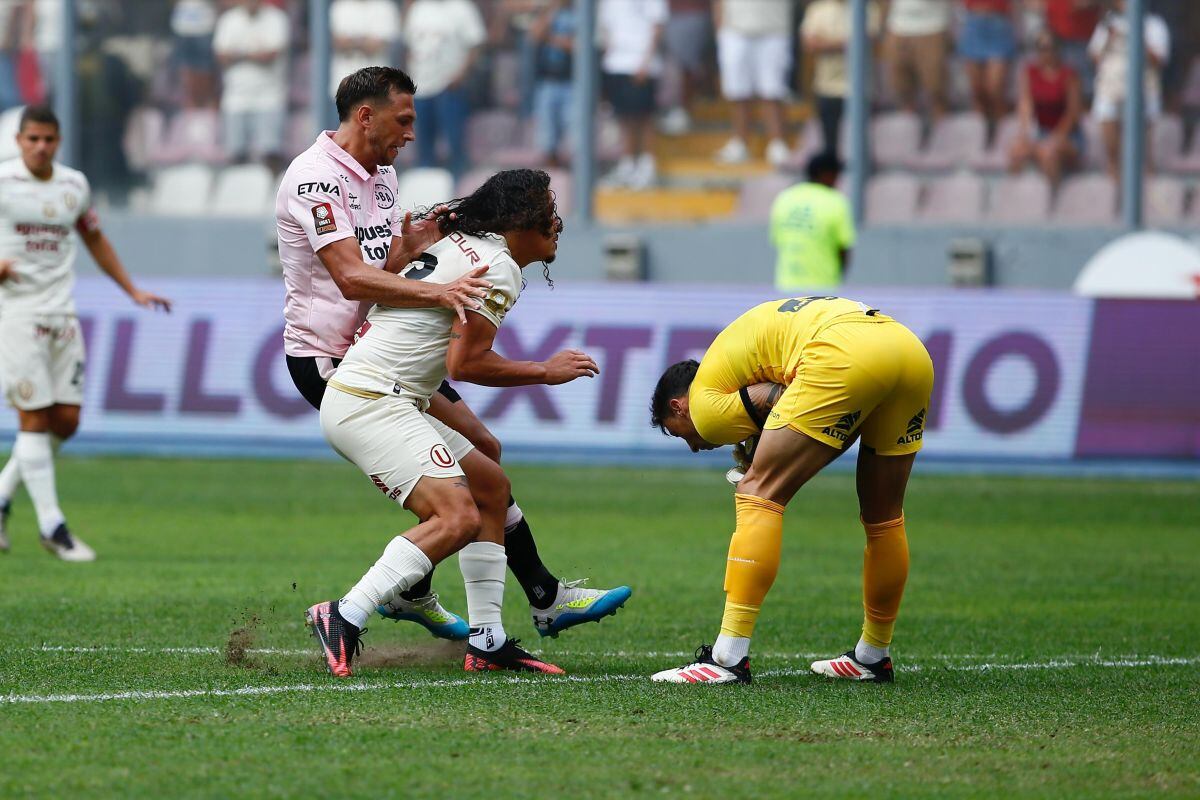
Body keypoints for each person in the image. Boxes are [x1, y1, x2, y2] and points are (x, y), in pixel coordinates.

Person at [277, 67, 630, 662]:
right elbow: (348, 275)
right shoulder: (314, 178)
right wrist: (442, 295)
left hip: (386, 349)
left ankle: (494, 629)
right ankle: (400, 592)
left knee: (486, 463)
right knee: (452, 508)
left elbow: (384, 266)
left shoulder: (383, 176)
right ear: (366, 115)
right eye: (405, 119)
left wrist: (414, 245)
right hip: (332, 359)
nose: (412, 133)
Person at [647, 295, 934, 684]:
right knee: (883, 516)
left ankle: (727, 659)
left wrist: (764, 454)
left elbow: (777, 399)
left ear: (679, 406)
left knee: (758, 492)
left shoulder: (704, 408)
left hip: (845, 353)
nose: (693, 446)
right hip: (907, 349)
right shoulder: (726, 364)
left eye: (677, 432)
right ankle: (872, 654)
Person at [0, 105, 171, 560]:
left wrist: (131, 289)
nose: (40, 147)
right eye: (32, 139)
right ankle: (52, 527)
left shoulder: (73, 184)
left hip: (62, 314)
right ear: (19, 141)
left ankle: (1, 495)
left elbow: (94, 238)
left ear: (58, 141)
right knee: (33, 419)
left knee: (66, 422)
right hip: (16, 315)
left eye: (48, 139)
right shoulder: (3, 182)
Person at [403, 0, 487, 179]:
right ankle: (426, 193)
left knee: (454, 143)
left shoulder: (462, 7)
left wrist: (460, 75)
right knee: (424, 145)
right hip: (421, 87)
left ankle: (459, 193)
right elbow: (409, 45)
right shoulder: (419, 8)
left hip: (449, 87)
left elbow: (475, 45)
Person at [1088, 0, 1169, 180]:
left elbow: (1160, 60)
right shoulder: (1107, 24)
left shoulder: (1154, 25)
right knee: (1107, 122)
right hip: (1111, 84)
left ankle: (1147, 173)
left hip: (1143, 85)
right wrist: (1110, 37)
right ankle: (1114, 172)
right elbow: (1094, 56)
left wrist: (1137, 37)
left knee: (1143, 131)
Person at [713, 0, 793, 167]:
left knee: (773, 90)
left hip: (774, 27)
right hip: (734, 28)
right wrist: (719, 24)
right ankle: (740, 144)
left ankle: (777, 143)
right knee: (737, 90)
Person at [598, 0, 668, 189]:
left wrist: (646, 61)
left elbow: (658, 25)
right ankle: (627, 165)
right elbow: (606, 27)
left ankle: (648, 166)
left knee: (644, 117)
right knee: (624, 117)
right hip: (615, 63)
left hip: (640, 62)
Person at [213, 0, 290, 171]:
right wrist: (253, 54)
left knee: (270, 154)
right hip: (235, 96)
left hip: (269, 96)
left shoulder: (276, 18)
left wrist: (238, 54)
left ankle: (274, 193)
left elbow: (270, 55)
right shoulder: (229, 20)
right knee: (236, 155)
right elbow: (222, 56)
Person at [801, 0, 881, 158]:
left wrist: (827, 43)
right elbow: (810, 44)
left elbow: (869, 40)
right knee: (830, 144)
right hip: (827, 87)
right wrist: (848, 43)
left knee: (862, 143)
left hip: (860, 88)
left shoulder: (868, 7)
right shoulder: (818, 9)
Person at [1009, 30, 1084, 189]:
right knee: (1016, 152)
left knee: (1049, 154)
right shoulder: (1030, 72)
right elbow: (1025, 104)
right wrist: (1025, 134)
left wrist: (1055, 138)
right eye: (1042, 48)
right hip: (1041, 131)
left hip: (1068, 135)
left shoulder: (1069, 75)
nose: (1047, 53)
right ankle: (1013, 200)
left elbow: (1073, 114)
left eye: (1051, 48)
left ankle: (1054, 199)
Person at [768, 151, 853, 291]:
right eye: (836, 174)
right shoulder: (836, 201)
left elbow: (778, 241)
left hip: (785, 288)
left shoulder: (784, 198)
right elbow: (843, 251)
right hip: (824, 289)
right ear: (826, 174)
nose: (838, 179)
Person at [880, 0, 951, 125]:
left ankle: (943, 130)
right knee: (902, 86)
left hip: (932, 26)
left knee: (935, 86)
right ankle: (909, 129)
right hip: (898, 26)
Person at [959, 0, 1018, 137]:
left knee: (995, 88)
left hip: (998, 21)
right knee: (977, 89)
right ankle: (978, 136)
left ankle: (1003, 133)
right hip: (973, 21)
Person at [529, 0, 574, 167]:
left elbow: (580, 46)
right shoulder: (547, 13)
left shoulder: (579, 14)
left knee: (574, 136)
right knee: (547, 137)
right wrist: (550, 11)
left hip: (572, 82)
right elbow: (534, 36)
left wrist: (553, 39)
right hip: (547, 81)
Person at [660, 0, 714, 135]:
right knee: (674, 66)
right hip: (669, 14)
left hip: (691, 13)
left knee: (686, 66)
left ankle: (684, 110)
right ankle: (678, 110)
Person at [329, 0, 401, 98]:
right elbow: (338, 43)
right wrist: (362, 42)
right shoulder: (341, 6)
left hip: (376, 86)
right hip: (346, 84)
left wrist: (352, 42)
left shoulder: (385, 6)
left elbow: (374, 46)